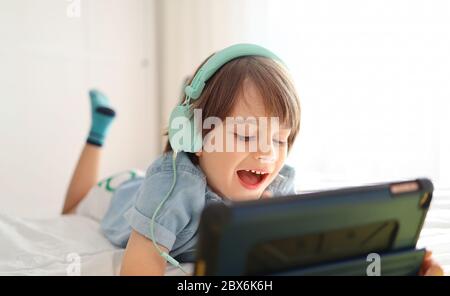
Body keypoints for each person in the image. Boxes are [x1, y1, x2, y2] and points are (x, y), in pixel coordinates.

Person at [62, 44, 443, 276]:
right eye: (246, 135)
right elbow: (138, 267)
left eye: (280, 139)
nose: (267, 154)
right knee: (76, 205)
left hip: (162, 175)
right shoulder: (171, 188)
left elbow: (310, 249)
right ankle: (98, 131)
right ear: (193, 135)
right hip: (125, 196)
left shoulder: (276, 184)